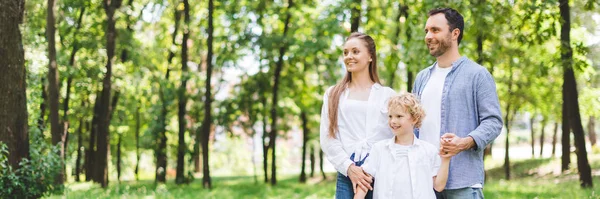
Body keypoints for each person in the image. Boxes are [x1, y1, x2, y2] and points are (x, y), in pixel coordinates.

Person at [412, 7, 503, 199]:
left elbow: (493, 122)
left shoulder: (477, 75)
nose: (428, 36)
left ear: (455, 33)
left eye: (435, 30)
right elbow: (413, 126)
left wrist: (464, 142)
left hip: (462, 181)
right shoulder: (422, 78)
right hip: (424, 180)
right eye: (426, 31)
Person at [320, 32, 396, 199]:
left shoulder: (387, 95)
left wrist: (371, 167)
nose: (349, 56)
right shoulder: (333, 94)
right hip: (348, 172)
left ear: (370, 56)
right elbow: (327, 137)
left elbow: (395, 136)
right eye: (345, 52)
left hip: (379, 173)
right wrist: (349, 168)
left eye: (355, 51)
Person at [354, 93, 454, 199]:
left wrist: (446, 159)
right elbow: (364, 183)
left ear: (414, 119)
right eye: (390, 116)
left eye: (399, 116)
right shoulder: (379, 149)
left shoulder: (428, 150)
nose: (393, 121)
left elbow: (438, 186)